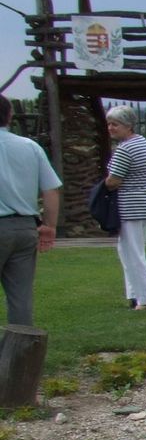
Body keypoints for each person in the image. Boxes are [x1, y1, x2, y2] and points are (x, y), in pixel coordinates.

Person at [0, 94, 62, 327]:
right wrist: (49, 226)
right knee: (20, 298)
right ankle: (21, 346)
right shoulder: (30, 147)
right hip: (25, 227)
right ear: (9, 116)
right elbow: (51, 190)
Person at [103, 104, 146, 309]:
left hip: (131, 206)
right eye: (109, 124)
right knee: (127, 250)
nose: (111, 128)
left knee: (133, 253)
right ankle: (134, 293)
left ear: (128, 126)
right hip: (143, 204)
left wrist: (103, 185)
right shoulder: (141, 142)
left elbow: (113, 181)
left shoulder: (125, 149)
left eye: (115, 124)